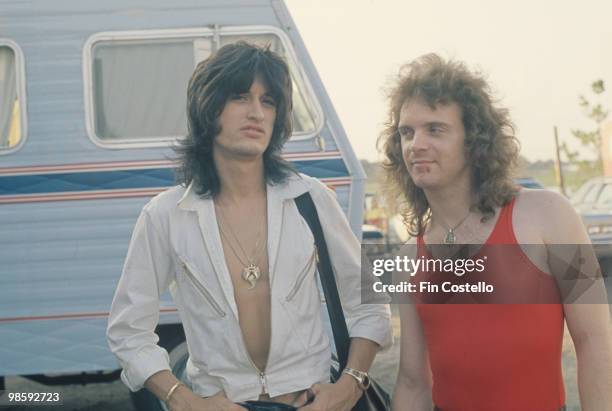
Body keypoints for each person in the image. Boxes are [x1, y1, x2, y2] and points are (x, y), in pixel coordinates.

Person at [106, 42, 392, 411]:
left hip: (309, 401)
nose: (256, 112)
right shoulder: (166, 215)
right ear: (208, 108)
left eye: (268, 100)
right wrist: (184, 400)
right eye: (240, 97)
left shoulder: (309, 200)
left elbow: (369, 304)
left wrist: (349, 387)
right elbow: (128, 332)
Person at [379, 54, 612, 410]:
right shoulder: (410, 257)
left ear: (474, 140)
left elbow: (596, 343)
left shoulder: (549, 215)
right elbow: (412, 382)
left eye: (435, 129)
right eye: (406, 132)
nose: (416, 144)